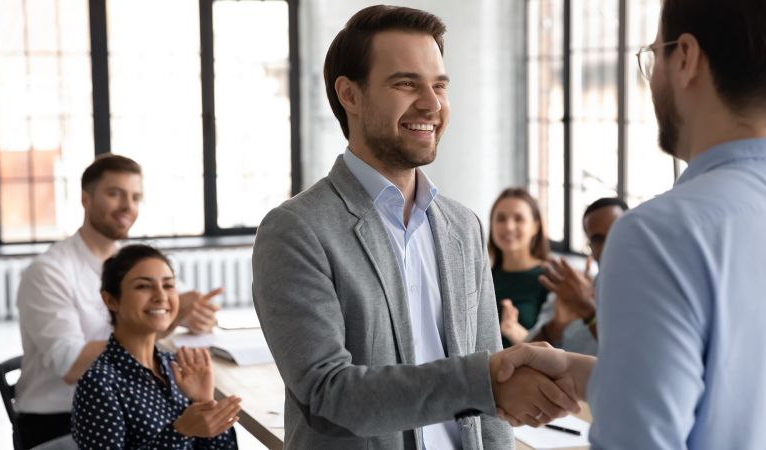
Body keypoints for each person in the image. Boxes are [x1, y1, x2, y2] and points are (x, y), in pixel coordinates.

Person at [252, 5, 579, 450]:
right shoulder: (295, 230)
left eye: (440, 85)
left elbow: (491, 401)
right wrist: (482, 380)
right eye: (406, 83)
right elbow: (331, 395)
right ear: (349, 94)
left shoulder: (463, 227)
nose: (432, 103)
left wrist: (490, 385)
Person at [497, 0, 766, 448]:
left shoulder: (658, 235)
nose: (652, 76)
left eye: (655, 55)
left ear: (687, 58)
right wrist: (582, 373)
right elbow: (751, 392)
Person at [15, 154, 221, 448]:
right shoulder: (48, 272)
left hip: (132, 407)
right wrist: (162, 322)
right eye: (115, 194)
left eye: (136, 197)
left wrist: (194, 313)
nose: (128, 207)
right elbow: (72, 365)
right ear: (86, 199)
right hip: (59, 419)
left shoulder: (132, 261)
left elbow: (166, 309)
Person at [72, 244, 240, 449]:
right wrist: (180, 431)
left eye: (168, 286)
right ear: (111, 300)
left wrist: (204, 402)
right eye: (143, 286)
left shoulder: (176, 367)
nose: (161, 296)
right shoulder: (99, 384)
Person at [499, 198, 628, 355]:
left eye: (616, 231)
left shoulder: (650, 293)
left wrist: (588, 312)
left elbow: (631, 358)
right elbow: (527, 355)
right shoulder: (568, 292)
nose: (609, 243)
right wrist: (556, 325)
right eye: (597, 240)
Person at [487, 188, 551, 348]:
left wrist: (517, 333)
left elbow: (560, 350)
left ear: (535, 226)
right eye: (500, 219)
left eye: (519, 218)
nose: (509, 226)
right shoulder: (483, 279)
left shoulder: (550, 279)